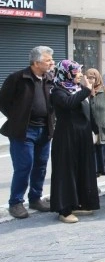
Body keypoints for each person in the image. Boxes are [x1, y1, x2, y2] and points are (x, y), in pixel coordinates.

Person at [0, 46, 55, 219]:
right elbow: (3, 102)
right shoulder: (18, 78)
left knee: (41, 166)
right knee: (24, 166)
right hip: (24, 131)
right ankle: (15, 202)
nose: (51, 63)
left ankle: (35, 198)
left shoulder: (49, 78)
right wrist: (18, 117)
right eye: (48, 61)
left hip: (44, 130)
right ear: (36, 63)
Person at [49, 60, 99, 223]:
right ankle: (64, 209)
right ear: (67, 73)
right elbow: (69, 104)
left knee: (82, 169)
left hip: (82, 136)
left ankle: (79, 202)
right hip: (67, 136)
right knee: (66, 171)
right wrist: (85, 90)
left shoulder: (77, 89)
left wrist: (95, 130)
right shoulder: (57, 91)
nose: (80, 75)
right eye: (76, 72)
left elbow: (87, 111)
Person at [85, 68, 105, 177]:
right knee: (92, 147)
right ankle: (93, 170)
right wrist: (89, 90)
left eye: (93, 77)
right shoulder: (84, 91)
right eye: (89, 77)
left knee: (102, 146)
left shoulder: (104, 90)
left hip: (103, 123)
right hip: (89, 124)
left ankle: (102, 168)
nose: (91, 80)